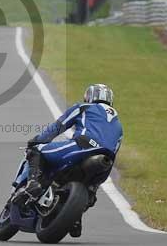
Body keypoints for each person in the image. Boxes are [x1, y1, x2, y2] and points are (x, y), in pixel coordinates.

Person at [18, 83, 123, 236]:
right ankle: (77, 217)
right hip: (106, 162)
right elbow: (116, 148)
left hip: (83, 146)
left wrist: (38, 140)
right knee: (91, 193)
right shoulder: (119, 124)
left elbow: (59, 126)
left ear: (90, 96)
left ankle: (33, 183)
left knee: (37, 150)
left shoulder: (84, 107)